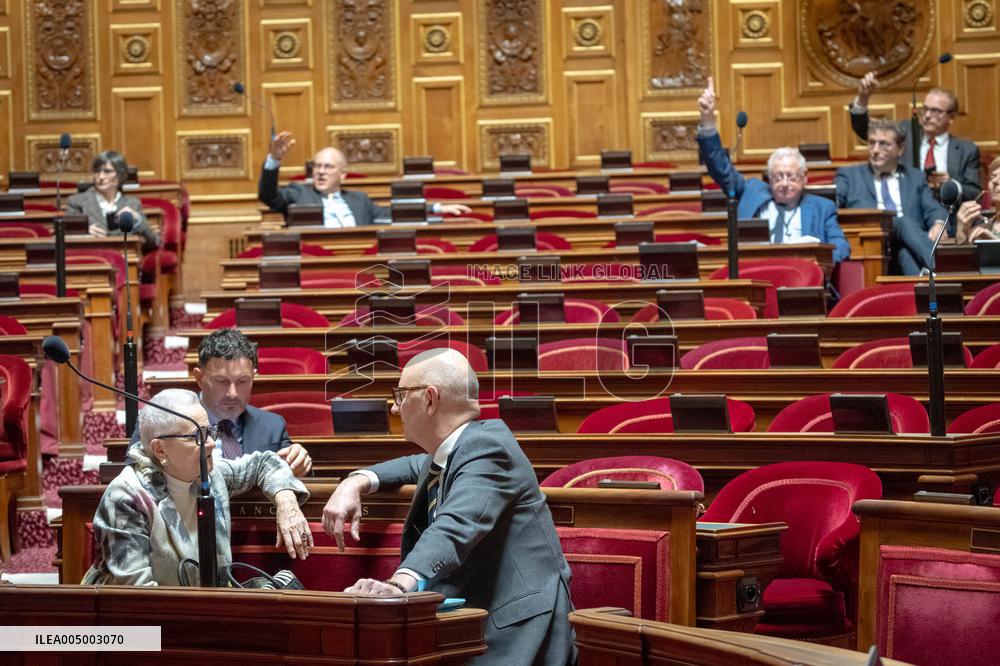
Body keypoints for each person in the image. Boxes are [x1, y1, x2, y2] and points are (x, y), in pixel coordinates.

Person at [322, 348, 576, 665]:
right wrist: (358, 480)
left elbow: (455, 526)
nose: (395, 407)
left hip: (517, 632)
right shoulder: (456, 450)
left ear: (430, 399)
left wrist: (398, 583)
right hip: (471, 622)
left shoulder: (489, 447)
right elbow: (415, 465)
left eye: (400, 394)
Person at [83, 389, 311, 586]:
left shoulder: (211, 474)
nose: (211, 443)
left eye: (209, 432)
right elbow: (137, 596)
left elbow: (264, 463)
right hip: (146, 631)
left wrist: (285, 499)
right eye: (197, 436)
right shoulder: (128, 497)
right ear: (160, 450)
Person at [696, 78, 851, 263]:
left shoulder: (822, 208)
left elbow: (841, 245)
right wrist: (707, 120)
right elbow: (720, 168)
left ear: (804, 178)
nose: (784, 183)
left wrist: (819, 261)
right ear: (769, 179)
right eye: (778, 177)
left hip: (803, 277)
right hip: (757, 271)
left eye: (791, 177)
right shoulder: (751, 192)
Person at [128, 328, 312, 476]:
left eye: (242, 381)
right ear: (199, 378)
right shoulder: (163, 420)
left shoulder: (272, 427)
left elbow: (295, 476)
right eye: (221, 382)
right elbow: (134, 476)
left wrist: (301, 466)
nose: (232, 393)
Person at [258, 132, 472, 226]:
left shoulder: (359, 200)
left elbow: (393, 214)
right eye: (317, 166)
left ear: (342, 174)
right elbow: (267, 195)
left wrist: (435, 208)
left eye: (328, 167)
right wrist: (274, 159)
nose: (320, 171)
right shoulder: (298, 194)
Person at [836, 120, 949, 276]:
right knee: (901, 221)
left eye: (884, 144)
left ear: (900, 148)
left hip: (908, 243)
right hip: (869, 239)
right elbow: (832, 201)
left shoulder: (915, 177)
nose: (875, 150)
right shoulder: (849, 175)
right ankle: (944, 268)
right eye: (871, 143)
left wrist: (938, 223)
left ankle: (921, 291)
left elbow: (933, 207)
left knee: (904, 252)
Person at [849, 72, 981, 201]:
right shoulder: (905, 132)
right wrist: (862, 100)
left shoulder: (966, 150)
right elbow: (865, 131)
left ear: (951, 117)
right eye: (925, 109)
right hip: (908, 209)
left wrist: (952, 186)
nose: (927, 116)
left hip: (946, 212)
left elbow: (975, 193)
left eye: (935, 111)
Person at [64, 150, 160, 252]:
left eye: (107, 171)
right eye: (97, 171)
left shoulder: (132, 204)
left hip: (126, 258)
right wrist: (83, 233)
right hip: (93, 257)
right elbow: (65, 238)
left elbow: (154, 242)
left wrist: (137, 219)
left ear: (119, 175)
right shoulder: (77, 202)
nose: (101, 177)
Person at [955, 156, 1000, 243]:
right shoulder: (980, 230)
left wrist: (995, 244)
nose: (995, 181)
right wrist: (961, 229)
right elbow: (963, 256)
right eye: (993, 176)